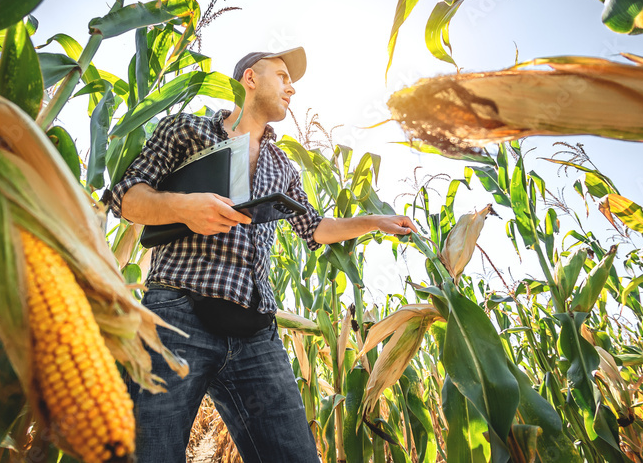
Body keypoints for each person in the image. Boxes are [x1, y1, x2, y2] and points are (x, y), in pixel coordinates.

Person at [108, 46, 418, 462]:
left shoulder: (283, 165)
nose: (292, 88)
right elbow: (128, 197)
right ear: (250, 79)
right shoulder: (187, 130)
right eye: (283, 76)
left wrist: (375, 221)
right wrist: (185, 208)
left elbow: (317, 227)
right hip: (178, 315)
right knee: (150, 453)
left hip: (255, 330)